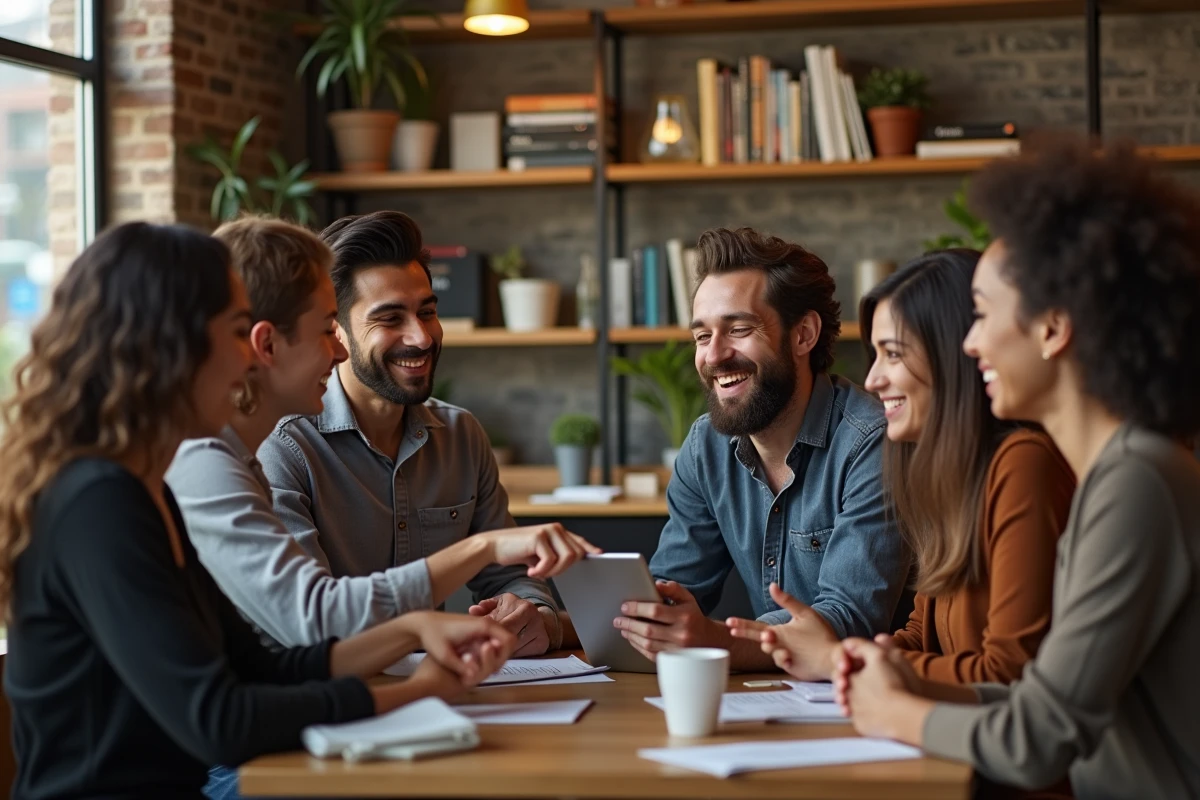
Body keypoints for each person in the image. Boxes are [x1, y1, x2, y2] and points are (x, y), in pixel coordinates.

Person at [0, 222, 515, 800]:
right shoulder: (99, 504)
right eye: (239, 333)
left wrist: (414, 629)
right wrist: (416, 691)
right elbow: (222, 721)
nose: (251, 358)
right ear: (173, 348)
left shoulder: (148, 492)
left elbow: (258, 669)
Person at [833, 138, 1200, 800]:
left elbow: (1037, 739)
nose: (969, 342)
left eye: (981, 314)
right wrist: (910, 681)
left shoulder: (1136, 479)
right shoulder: (1116, 474)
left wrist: (895, 711)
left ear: (1053, 327)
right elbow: (1039, 695)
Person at [168, 216, 594, 662]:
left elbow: (513, 576)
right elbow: (313, 625)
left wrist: (534, 616)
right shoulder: (267, 449)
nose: (422, 336)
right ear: (338, 330)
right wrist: (473, 558)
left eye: (428, 312)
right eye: (390, 318)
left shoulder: (461, 434)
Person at [728, 250, 1075, 690]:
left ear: (955, 355)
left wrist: (837, 659)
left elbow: (1009, 674)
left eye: (892, 354)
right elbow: (922, 639)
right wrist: (848, 658)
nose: (872, 380)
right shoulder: (950, 480)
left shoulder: (1024, 466)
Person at [614, 226, 911, 675]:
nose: (714, 355)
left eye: (738, 328)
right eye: (701, 336)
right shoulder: (706, 447)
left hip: (876, 696)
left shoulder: (872, 442)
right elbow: (671, 590)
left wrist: (716, 643)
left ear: (803, 335)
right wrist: (554, 627)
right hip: (773, 700)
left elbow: (852, 620)